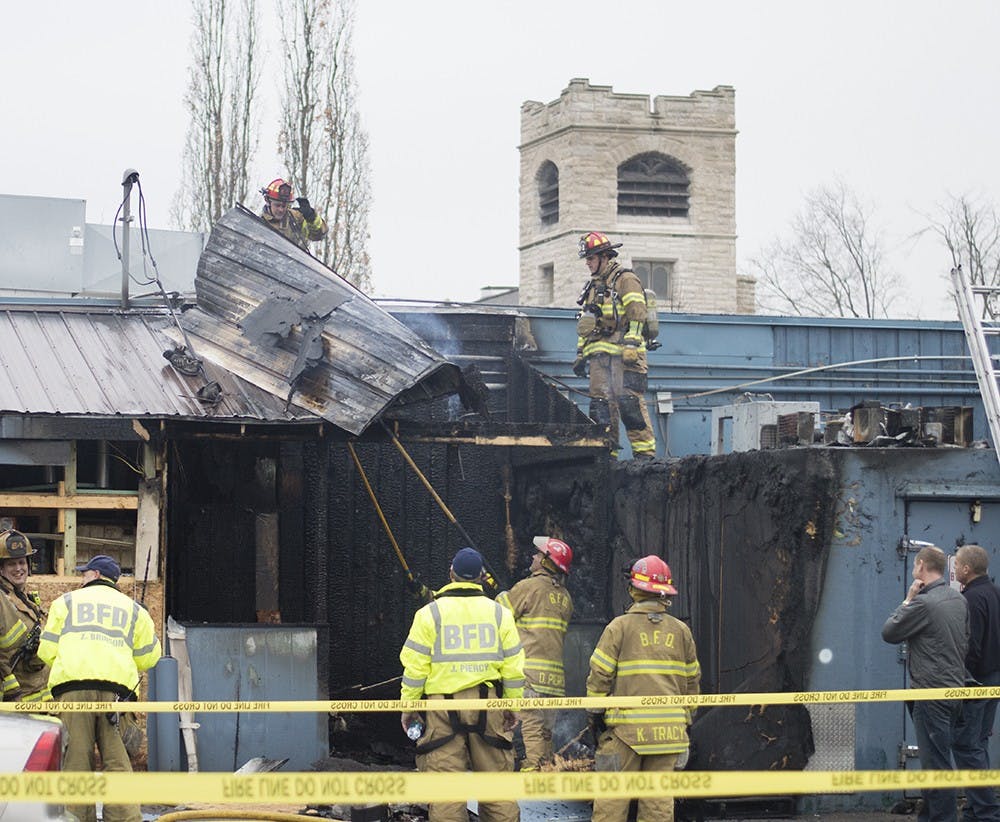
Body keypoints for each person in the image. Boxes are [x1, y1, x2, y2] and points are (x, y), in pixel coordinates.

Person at [399, 547, 525, 822]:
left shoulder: (428, 615)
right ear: (481, 577)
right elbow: (514, 667)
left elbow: (415, 669)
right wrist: (512, 706)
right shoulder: (500, 614)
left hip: (442, 708)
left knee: (446, 793)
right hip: (489, 705)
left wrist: (409, 707)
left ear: (451, 574)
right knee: (498, 790)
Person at [38, 555, 162, 822]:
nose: (82, 578)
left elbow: (46, 652)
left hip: (72, 693)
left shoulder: (65, 603)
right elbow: (149, 659)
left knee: (75, 764)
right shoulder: (135, 611)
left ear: (94, 574)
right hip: (116, 699)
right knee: (118, 764)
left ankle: (75, 817)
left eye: (84, 573)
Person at [586, 555, 700, 822]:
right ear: (665, 594)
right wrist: (685, 719)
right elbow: (692, 682)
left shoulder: (620, 627)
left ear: (634, 589)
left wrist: (594, 713)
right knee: (658, 803)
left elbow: (599, 674)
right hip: (670, 733)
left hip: (626, 732)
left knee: (612, 800)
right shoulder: (682, 631)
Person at [882, 544, 969, 822]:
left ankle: (942, 818)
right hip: (954, 689)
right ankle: (930, 816)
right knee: (939, 757)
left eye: (914, 566)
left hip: (931, 693)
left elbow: (890, 631)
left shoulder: (923, 603)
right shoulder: (958, 600)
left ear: (920, 566)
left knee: (936, 763)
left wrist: (908, 598)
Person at [573, 231, 655, 459]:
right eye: (587, 259)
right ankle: (607, 460)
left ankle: (645, 459)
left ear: (604, 256)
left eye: (590, 258)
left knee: (630, 407)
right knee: (601, 410)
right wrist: (581, 355)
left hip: (625, 358)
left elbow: (638, 314)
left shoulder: (625, 280)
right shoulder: (591, 288)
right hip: (600, 361)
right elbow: (585, 324)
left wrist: (631, 345)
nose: (588, 263)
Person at [497, 536, 574, 770]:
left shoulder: (528, 587)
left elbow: (500, 615)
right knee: (545, 734)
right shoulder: (565, 598)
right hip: (554, 682)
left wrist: (501, 594)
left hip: (529, 677)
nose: (533, 557)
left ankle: (533, 782)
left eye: (538, 554)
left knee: (529, 730)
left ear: (546, 562)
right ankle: (547, 776)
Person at [953, 544, 1000, 822]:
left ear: (967, 569)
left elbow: (972, 646)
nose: (955, 569)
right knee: (979, 742)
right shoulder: (995, 593)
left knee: (966, 745)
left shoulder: (971, 598)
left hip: (976, 681)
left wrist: (961, 678)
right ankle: (973, 810)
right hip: (995, 679)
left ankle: (986, 811)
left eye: (957, 564)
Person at [0, 529, 51, 702]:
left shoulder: (26, 599)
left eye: (22, 562)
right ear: (1, 568)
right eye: (11, 564)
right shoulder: (2, 600)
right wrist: (11, 691)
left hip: (37, 697)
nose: (18, 568)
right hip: (16, 702)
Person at [259, 177, 328, 251]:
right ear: (267, 201)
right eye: (277, 205)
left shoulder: (296, 218)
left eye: (284, 206)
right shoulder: (259, 224)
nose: (281, 210)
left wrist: (311, 217)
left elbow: (318, 235)